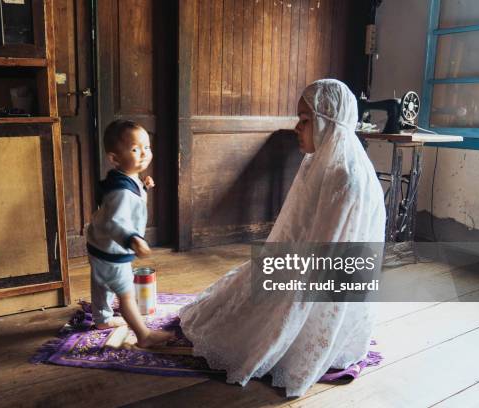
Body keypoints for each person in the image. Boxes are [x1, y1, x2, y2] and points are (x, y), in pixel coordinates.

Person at [178, 79, 386, 397]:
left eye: (305, 120)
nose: (296, 127)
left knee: (245, 330)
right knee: (235, 305)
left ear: (328, 122)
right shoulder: (317, 162)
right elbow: (296, 230)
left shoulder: (346, 177)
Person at [87, 119, 173, 347]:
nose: (144, 153)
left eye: (147, 147)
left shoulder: (124, 178)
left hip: (98, 246)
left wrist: (143, 186)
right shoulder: (121, 192)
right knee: (125, 294)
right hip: (113, 249)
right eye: (136, 149)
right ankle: (143, 335)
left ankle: (102, 319)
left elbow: (128, 199)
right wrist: (132, 239)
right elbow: (114, 221)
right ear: (115, 158)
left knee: (101, 283)